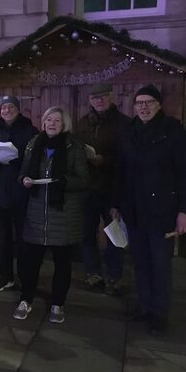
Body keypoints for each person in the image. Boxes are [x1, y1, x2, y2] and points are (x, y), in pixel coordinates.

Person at [111, 84, 186, 335]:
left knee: (160, 265)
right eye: (139, 103)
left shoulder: (173, 132)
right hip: (134, 210)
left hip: (162, 210)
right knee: (140, 263)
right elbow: (120, 171)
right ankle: (145, 306)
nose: (143, 107)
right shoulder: (128, 132)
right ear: (134, 107)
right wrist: (116, 204)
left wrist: (184, 211)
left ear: (158, 105)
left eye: (149, 102)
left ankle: (160, 313)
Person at [13, 106, 89, 322]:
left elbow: (84, 180)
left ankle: (57, 304)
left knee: (62, 263)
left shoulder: (74, 146)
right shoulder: (33, 144)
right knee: (30, 262)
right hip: (36, 212)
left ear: (64, 124)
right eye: (48, 120)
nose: (52, 123)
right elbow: (23, 173)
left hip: (63, 213)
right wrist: (24, 180)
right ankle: (26, 299)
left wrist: (64, 181)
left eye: (56, 120)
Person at [74, 83, 130, 295]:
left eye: (103, 96)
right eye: (95, 97)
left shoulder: (124, 124)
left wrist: (104, 161)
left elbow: (128, 160)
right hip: (87, 189)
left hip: (112, 189)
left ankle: (114, 277)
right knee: (86, 234)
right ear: (90, 100)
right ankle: (93, 274)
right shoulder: (82, 124)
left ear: (110, 97)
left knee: (114, 235)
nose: (99, 100)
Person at [0, 96, 38, 293]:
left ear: (18, 109)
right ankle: (5, 276)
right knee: (3, 238)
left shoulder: (31, 131)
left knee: (24, 239)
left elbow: (38, 160)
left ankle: (25, 277)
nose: (7, 110)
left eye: (11, 107)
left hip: (22, 193)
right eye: (4, 107)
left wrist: (21, 163)